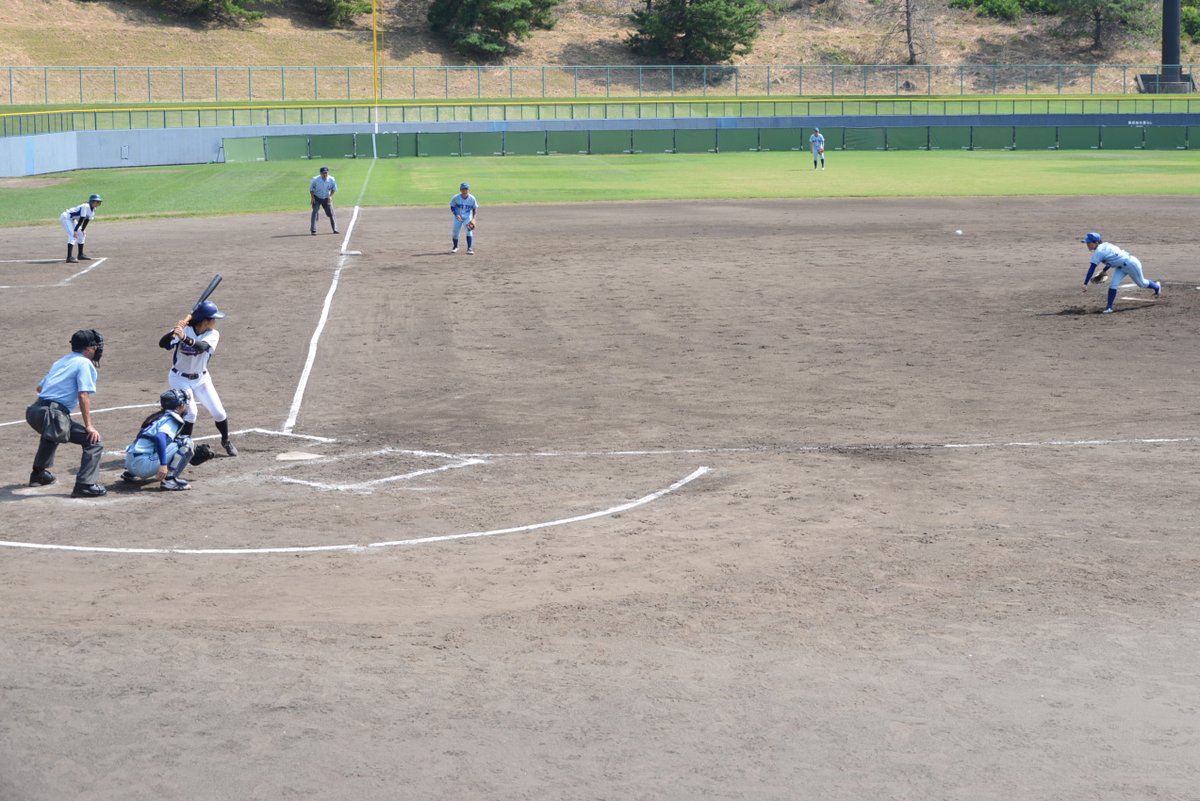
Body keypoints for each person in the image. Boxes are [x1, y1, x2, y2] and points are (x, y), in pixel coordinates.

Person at [25, 329, 107, 497]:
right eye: (95, 346)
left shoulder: (61, 361)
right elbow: (83, 395)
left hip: (34, 411)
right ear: (89, 348)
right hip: (51, 414)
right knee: (93, 442)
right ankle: (85, 485)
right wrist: (89, 426)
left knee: (53, 432)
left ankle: (38, 474)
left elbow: (40, 388)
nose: (97, 349)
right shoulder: (84, 364)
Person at [158, 300, 238, 456]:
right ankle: (183, 447)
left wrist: (183, 338)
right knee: (191, 413)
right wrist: (174, 331)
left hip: (201, 379)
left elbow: (201, 347)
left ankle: (226, 441)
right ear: (204, 320)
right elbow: (163, 344)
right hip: (179, 378)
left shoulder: (213, 334)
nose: (215, 321)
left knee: (219, 413)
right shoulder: (185, 329)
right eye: (213, 319)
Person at [121, 389, 196, 491]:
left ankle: (130, 474)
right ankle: (170, 481)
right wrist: (163, 465)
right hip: (142, 467)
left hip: (130, 464)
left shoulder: (158, 417)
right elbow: (160, 438)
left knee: (169, 442)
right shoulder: (171, 419)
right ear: (180, 405)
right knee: (186, 442)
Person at [1081, 232, 1162, 314]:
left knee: (1142, 284)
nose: (1087, 244)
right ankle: (1109, 307)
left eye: (1089, 243)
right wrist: (1104, 270)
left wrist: (1085, 283)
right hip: (1120, 268)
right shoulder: (1106, 245)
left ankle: (1157, 287)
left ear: (1096, 242)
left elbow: (1092, 268)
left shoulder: (1099, 252)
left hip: (1131, 264)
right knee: (1113, 285)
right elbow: (1112, 260)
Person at [60, 194, 102, 263]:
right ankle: (69, 257)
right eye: (96, 202)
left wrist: (82, 230)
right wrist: (75, 230)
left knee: (82, 234)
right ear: (92, 201)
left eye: (99, 202)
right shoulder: (85, 206)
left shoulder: (94, 209)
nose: (98, 203)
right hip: (66, 217)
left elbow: (87, 220)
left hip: (73, 219)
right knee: (73, 236)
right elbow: (82, 218)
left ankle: (80, 255)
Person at [450, 182, 478, 255]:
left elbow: (475, 208)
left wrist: (474, 218)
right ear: (460, 190)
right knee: (455, 233)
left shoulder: (472, 198)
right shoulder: (456, 198)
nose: (464, 191)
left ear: (468, 190)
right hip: (457, 217)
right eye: (463, 189)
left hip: (467, 217)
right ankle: (455, 247)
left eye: (466, 189)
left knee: (469, 231)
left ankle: (469, 248)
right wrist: (456, 214)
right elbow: (452, 206)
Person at [309, 166, 338, 235]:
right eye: (323, 173)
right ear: (320, 173)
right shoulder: (315, 179)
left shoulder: (332, 179)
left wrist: (330, 196)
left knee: (331, 213)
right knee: (315, 212)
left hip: (326, 198)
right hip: (317, 197)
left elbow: (334, 188)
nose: (325, 174)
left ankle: (335, 229)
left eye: (326, 173)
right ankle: (313, 230)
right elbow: (311, 189)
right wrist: (312, 198)